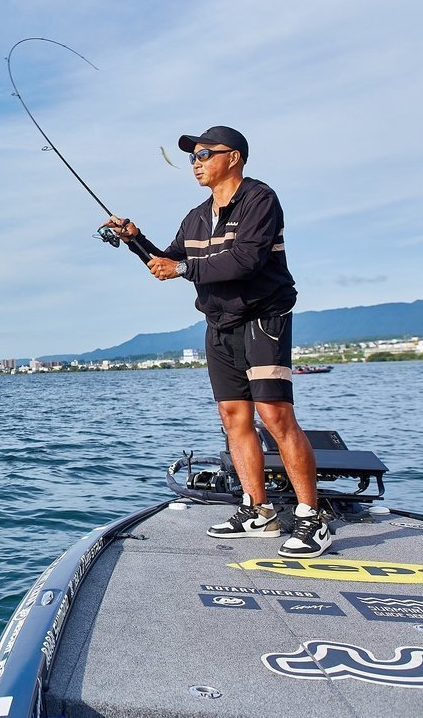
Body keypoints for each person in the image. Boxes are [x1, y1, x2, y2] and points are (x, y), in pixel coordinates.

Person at [105, 125, 331, 558]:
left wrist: (182, 270)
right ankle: (258, 511)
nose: (196, 162)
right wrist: (135, 239)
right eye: (193, 156)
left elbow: (245, 259)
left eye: (205, 153)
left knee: (275, 415)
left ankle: (310, 517)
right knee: (233, 416)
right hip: (219, 323)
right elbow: (169, 261)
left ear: (235, 157)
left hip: (264, 318)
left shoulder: (260, 199)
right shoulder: (195, 217)